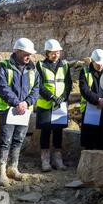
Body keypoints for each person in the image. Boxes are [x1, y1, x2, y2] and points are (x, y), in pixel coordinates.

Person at [0, 38, 40, 187]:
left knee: (18, 139)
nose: (29, 57)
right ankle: (1, 172)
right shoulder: (4, 66)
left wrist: (26, 103)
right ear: (17, 51)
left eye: (30, 54)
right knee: (5, 140)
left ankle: (13, 167)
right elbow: (1, 86)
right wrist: (16, 102)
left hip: (23, 111)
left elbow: (36, 89)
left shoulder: (32, 68)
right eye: (26, 53)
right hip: (8, 110)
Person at [36, 39, 72, 172]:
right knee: (45, 131)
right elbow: (38, 85)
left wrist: (63, 97)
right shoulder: (40, 65)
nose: (56, 55)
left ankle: (58, 160)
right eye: (53, 53)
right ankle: (45, 161)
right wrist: (51, 97)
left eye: (57, 52)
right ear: (47, 53)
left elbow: (68, 84)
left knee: (58, 131)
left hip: (60, 105)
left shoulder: (65, 65)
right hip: (45, 104)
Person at [79, 49, 103, 150]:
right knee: (89, 141)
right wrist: (97, 100)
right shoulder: (85, 71)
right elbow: (84, 90)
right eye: (97, 64)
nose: (100, 66)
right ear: (92, 61)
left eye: (102, 64)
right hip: (90, 110)